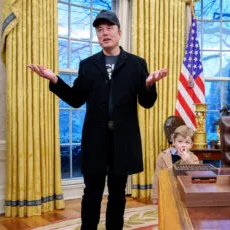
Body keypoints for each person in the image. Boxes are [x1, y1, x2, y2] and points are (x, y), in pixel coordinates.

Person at [27, 10, 167, 230]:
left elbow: (147, 103)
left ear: (119, 33)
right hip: (95, 140)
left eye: (109, 28)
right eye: (100, 30)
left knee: (118, 192)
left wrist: (149, 85)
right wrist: (55, 79)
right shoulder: (88, 65)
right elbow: (75, 99)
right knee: (92, 191)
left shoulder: (137, 64)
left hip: (123, 140)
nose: (104, 33)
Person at [151, 125, 199, 205]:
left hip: (184, 193)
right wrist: (155, 196)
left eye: (187, 142)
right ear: (173, 142)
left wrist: (187, 160)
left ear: (191, 145)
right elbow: (157, 177)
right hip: (167, 192)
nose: (183, 145)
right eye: (180, 141)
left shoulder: (194, 158)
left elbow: (194, 176)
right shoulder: (162, 156)